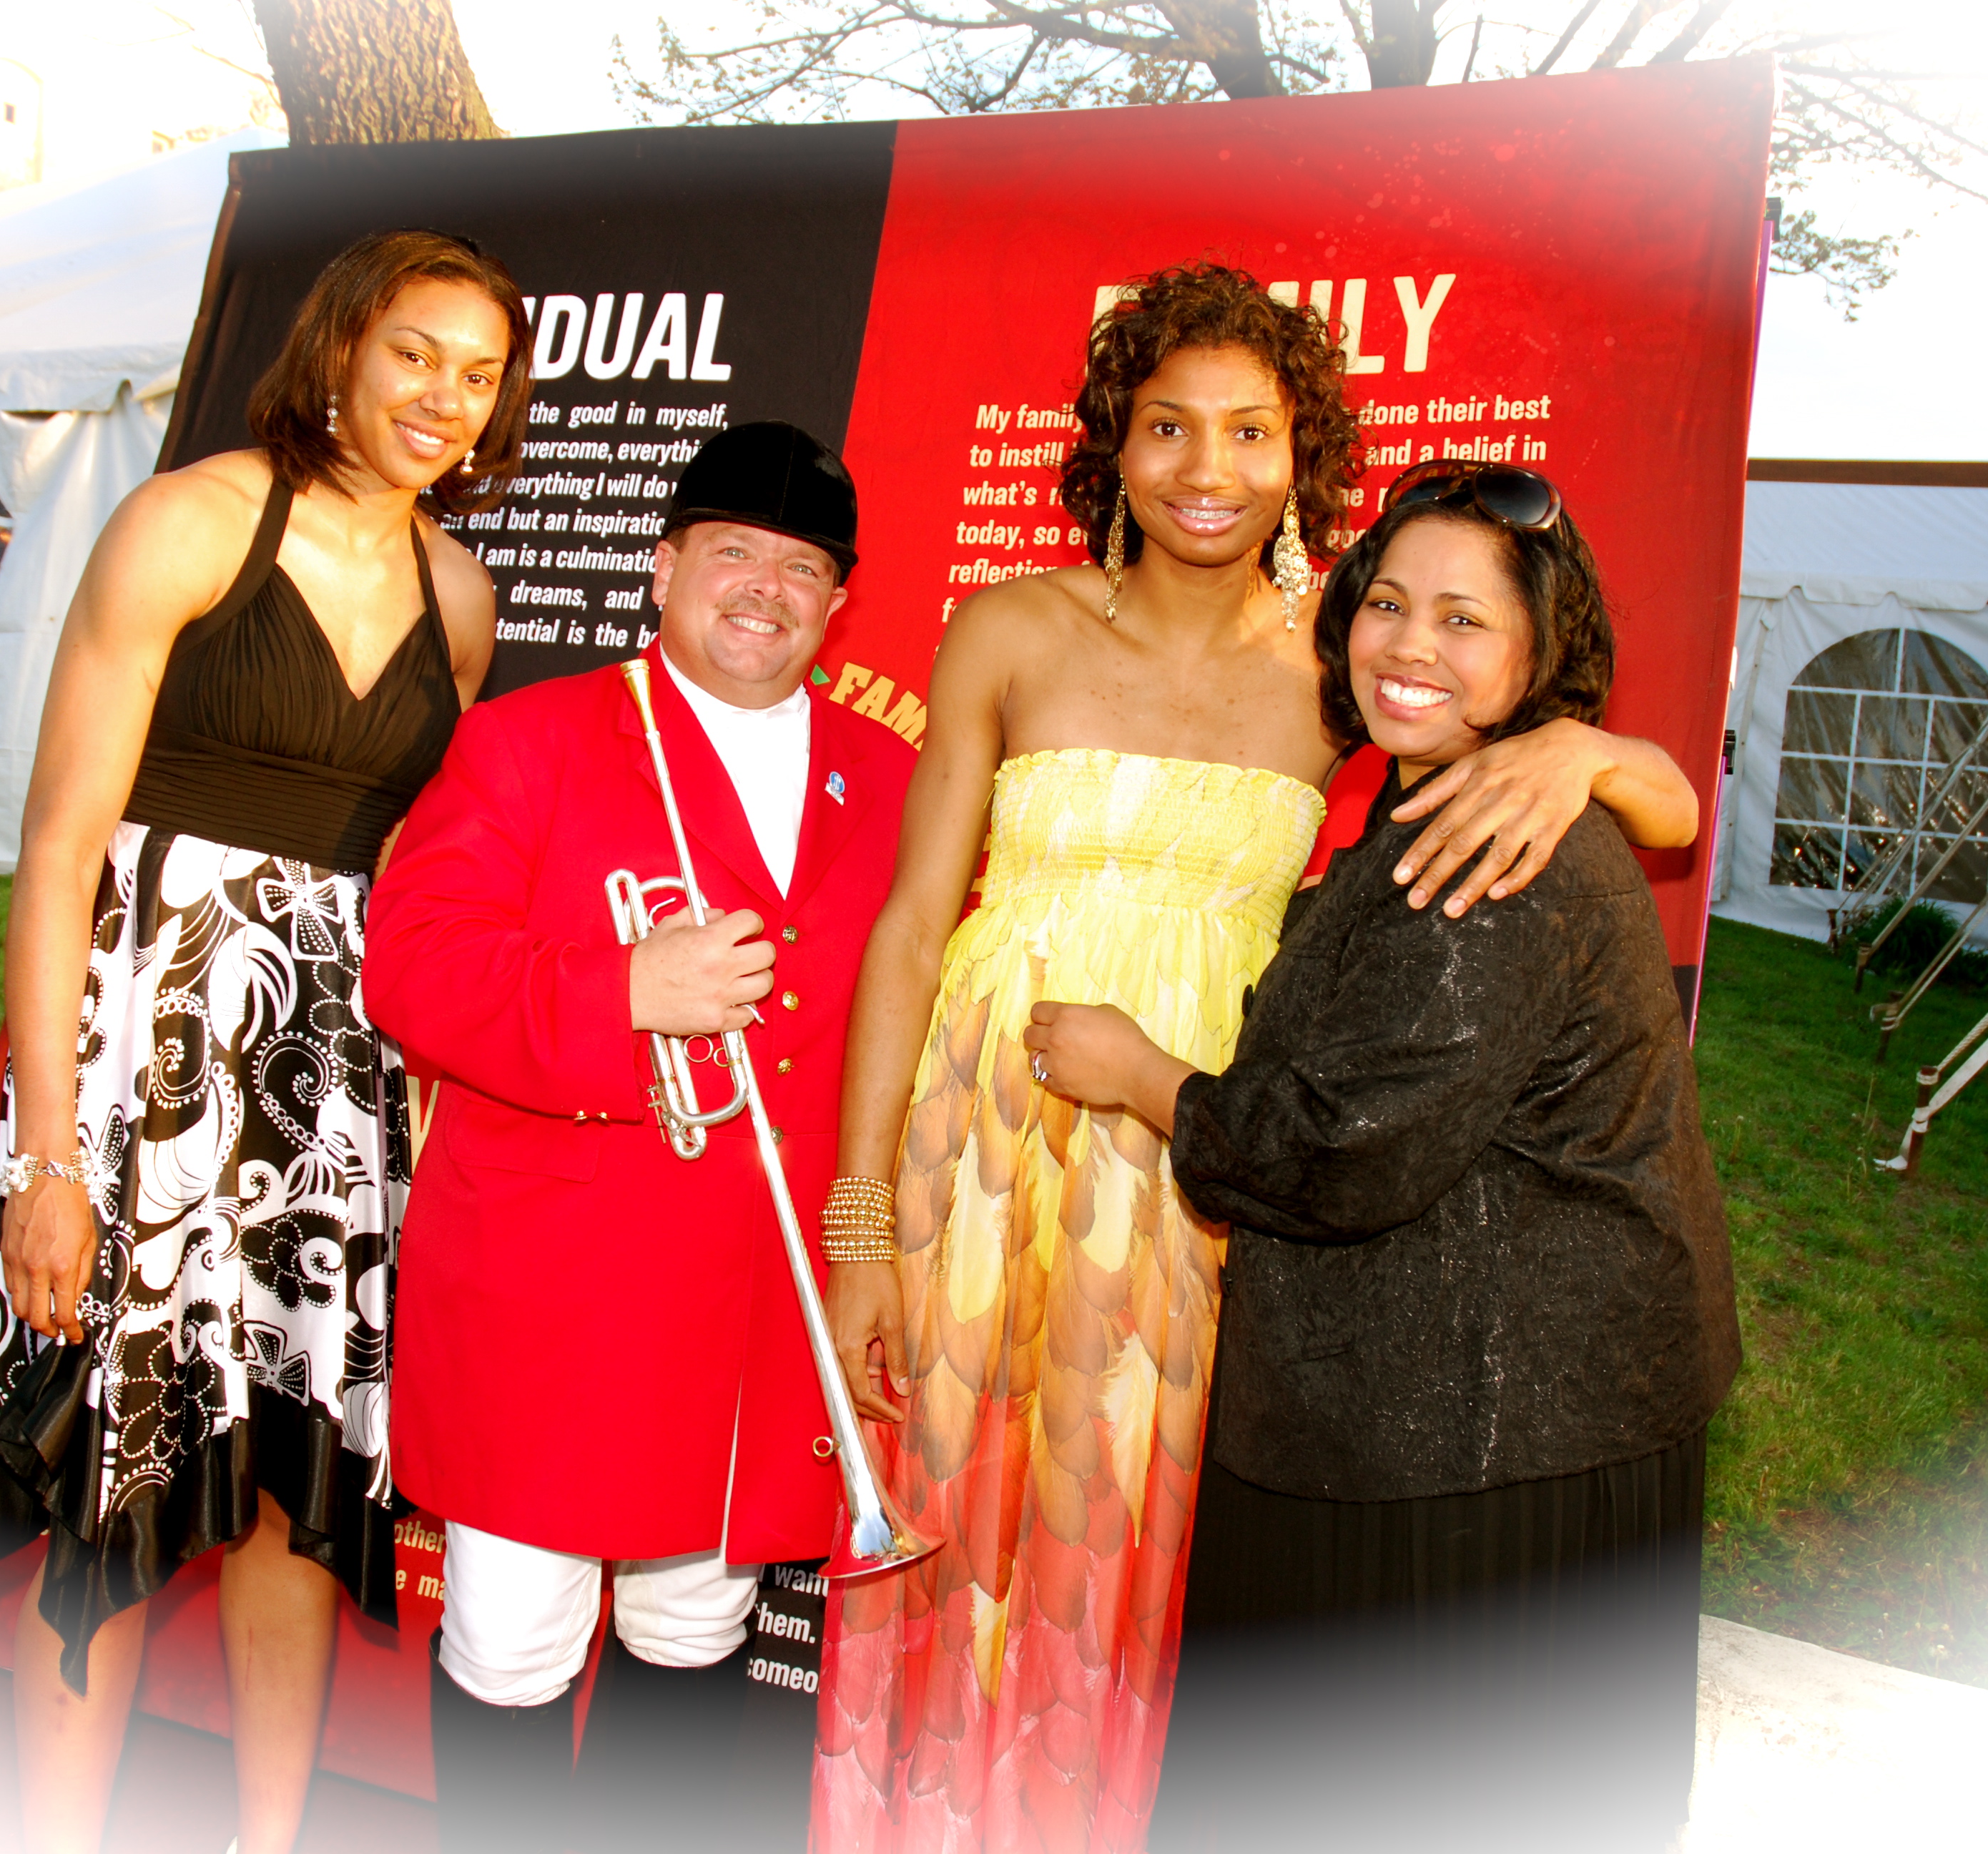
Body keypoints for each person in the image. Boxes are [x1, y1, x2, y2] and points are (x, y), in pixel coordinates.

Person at [811, 265, 1702, 1854]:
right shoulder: (1007, 628)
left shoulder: (1345, 663)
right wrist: (862, 1219)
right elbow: (906, 929)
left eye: (1248, 431)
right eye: (1167, 426)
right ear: (1113, 443)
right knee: (942, 1518)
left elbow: (1664, 808)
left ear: (1302, 461)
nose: (1205, 469)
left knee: (1130, 1533)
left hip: (1211, 1164)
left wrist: (1589, 747)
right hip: (981, 1140)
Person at [1022, 462, 1741, 1853]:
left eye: (1465, 620)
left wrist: (1138, 1073)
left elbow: (1340, 1156)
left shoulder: (1490, 853)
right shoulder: (1443, 799)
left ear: (1540, 652)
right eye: (1390, 604)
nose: (1412, 645)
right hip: (1494, 1416)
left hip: (1470, 1457)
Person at [0, 230, 523, 1854]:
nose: (444, 397)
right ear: (339, 349)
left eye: (479, 376)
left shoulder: (460, 600)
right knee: (108, 1472)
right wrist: (47, 1159)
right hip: (144, 1056)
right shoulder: (187, 522)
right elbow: (59, 852)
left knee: (296, 1483)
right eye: (416, 354)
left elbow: (414, 887)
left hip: (333, 1087)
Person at [362, 421, 915, 1853]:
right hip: (558, 1280)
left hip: (752, 1300)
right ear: (663, 568)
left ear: (838, 599)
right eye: (732, 552)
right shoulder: (529, 738)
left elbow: (905, 1030)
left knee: (693, 1628)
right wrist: (622, 990)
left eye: (803, 567)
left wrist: (869, 1245)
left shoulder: (888, 777)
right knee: (516, 1636)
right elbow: (411, 968)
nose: (766, 589)